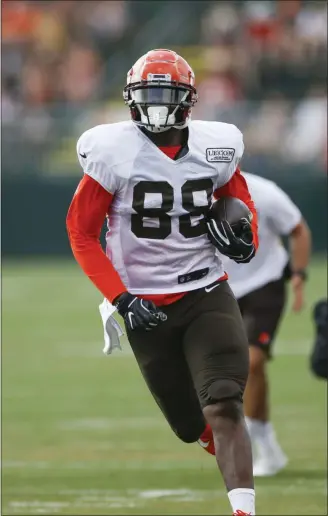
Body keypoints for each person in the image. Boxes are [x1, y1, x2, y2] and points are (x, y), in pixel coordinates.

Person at [67, 49, 259, 516]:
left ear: (188, 100)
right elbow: (80, 232)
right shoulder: (113, 150)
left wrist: (244, 240)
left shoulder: (218, 144)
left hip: (206, 289)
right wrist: (122, 298)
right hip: (144, 303)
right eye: (147, 96)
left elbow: (242, 208)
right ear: (131, 99)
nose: (156, 106)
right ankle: (212, 440)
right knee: (190, 424)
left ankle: (244, 511)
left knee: (225, 402)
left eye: (164, 95)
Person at [221, 171, 311, 477]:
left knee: (253, 362)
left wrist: (298, 275)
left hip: (265, 283)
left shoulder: (264, 192)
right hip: (217, 288)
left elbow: (298, 230)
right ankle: (269, 446)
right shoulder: (190, 191)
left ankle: (261, 447)